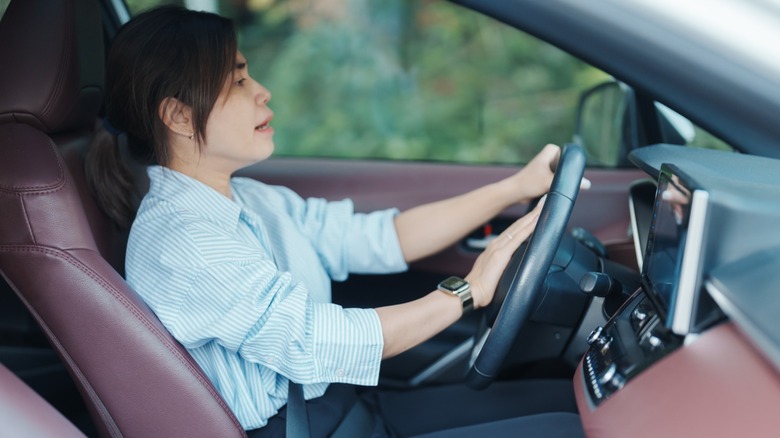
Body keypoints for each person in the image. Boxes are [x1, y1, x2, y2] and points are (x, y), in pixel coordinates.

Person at [87, 6, 584, 437]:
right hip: (302, 428)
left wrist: (514, 188)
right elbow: (315, 342)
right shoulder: (185, 241)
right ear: (177, 115)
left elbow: (382, 237)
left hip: (341, 409)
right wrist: (468, 291)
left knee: (567, 405)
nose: (261, 91)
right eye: (238, 80)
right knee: (569, 428)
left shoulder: (250, 199)